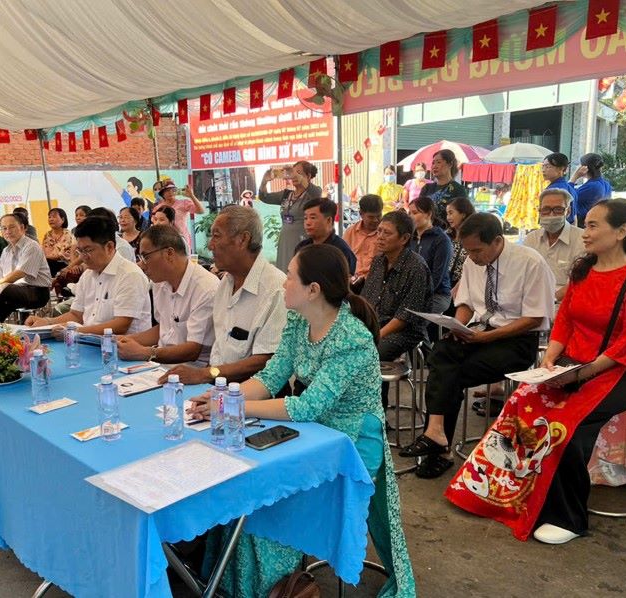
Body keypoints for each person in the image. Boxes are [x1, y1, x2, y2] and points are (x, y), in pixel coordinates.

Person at [187, 244, 415, 598]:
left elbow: (308, 405)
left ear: (313, 289)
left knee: (269, 493)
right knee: (249, 481)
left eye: (290, 277)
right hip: (312, 429)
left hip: (351, 440)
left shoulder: (351, 338)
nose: (283, 284)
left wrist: (236, 407)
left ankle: (269, 586)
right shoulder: (298, 320)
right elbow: (271, 376)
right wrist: (226, 397)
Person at [445, 198, 626, 544]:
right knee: (519, 403)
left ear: (621, 232)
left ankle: (570, 517)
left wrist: (582, 371)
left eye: (593, 226)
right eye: (586, 224)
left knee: (566, 427)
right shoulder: (584, 269)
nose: (584, 232)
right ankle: (500, 491)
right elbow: (565, 320)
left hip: (618, 373)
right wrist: (551, 360)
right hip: (571, 366)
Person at [399, 213, 555, 479]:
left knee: (448, 372)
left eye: (477, 251)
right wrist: (456, 327)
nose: (471, 257)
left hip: (515, 340)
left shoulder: (530, 263)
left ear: (496, 241)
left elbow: (536, 318)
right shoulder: (474, 261)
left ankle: (439, 445)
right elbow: (467, 304)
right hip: (480, 331)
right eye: (468, 251)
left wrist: (486, 338)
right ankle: (436, 436)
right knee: (441, 353)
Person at [163, 206, 286, 385]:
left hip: (252, 395)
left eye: (216, 236)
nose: (210, 245)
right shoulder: (225, 283)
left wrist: (206, 374)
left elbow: (266, 360)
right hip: (216, 385)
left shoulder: (275, 289)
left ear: (243, 239)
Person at [25, 216, 151, 335]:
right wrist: (47, 322)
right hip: (88, 342)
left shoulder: (130, 275)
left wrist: (75, 331)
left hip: (122, 350)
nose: (83, 257)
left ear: (109, 247)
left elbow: (121, 325)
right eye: (80, 251)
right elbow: (76, 315)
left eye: (88, 250)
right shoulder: (88, 275)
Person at [116, 225, 218, 364]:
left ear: (169, 253)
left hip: (194, 369)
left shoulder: (206, 289)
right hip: (161, 361)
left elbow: (192, 350)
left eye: (145, 257)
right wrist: (124, 340)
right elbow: (165, 328)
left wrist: (144, 352)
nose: (141, 265)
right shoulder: (160, 281)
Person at [361, 210, 432, 372]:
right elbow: (367, 299)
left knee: (370, 353)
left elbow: (404, 318)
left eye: (387, 233)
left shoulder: (416, 268)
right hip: (377, 324)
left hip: (404, 332)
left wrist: (375, 335)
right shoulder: (379, 261)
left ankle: (378, 397)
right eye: (379, 231)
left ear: (404, 238)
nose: (380, 236)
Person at [0, 213, 52, 323]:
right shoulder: (6, 250)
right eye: (4, 228)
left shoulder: (32, 246)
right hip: (14, 291)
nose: (8, 231)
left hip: (37, 292)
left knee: (3, 290)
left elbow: (20, 273)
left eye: (12, 227)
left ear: (22, 227)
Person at [258, 160, 322, 272]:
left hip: (302, 241)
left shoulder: (311, 194)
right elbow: (264, 197)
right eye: (292, 173)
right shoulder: (286, 195)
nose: (294, 176)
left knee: (300, 271)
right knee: (283, 273)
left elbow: (316, 193)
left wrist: (295, 174)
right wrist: (264, 181)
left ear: (308, 176)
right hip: (285, 242)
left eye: (298, 173)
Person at [524, 188, 585, 300]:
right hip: (532, 300)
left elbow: (578, 282)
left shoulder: (582, 240)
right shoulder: (531, 239)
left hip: (564, 304)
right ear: (539, 211)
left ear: (568, 211)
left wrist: (549, 301)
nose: (551, 215)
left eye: (558, 209)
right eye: (546, 209)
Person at [409, 196, 452, 315]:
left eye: (415, 213)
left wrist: (414, 295)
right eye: (409, 213)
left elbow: (437, 277)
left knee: (408, 317)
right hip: (412, 293)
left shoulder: (441, 240)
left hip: (437, 295)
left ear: (428, 214)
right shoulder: (410, 238)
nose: (410, 217)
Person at [294, 197, 357, 275]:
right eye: (305, 218)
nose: (307, 223)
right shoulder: (302, 247)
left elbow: (345, 282)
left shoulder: (341, 251)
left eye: (312, 218)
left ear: (329, 220)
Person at [153, 180, 205, 251]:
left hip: (181, 239)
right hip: (165, 240)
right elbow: (154, 223)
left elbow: (201, 211)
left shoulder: (183, 203)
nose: (170, 192)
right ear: (162, 193)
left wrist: (192, 196)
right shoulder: (158, 208)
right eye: (167, 190)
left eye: (173, 190)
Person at [419, 150, 466, 226]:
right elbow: (419, 211)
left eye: (438, 162)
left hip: (449, 234)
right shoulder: (427, 188)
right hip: (428, 233)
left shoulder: (458, 189)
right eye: (433, 163)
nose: (434, 166)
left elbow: (464, 215)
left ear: (450, 164)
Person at [343, 193, 383, 281]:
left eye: (379, 216)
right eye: (371, 217)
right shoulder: (350, 232)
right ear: (361, 214)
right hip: (352, 281)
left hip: (377, 282)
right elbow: (343, 259)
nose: (376, 220)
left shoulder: (386, 234)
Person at [571, 153, 612, 227]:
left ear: (585, 167)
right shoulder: (606, 184)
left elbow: (566, 194)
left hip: (582, 224)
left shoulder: (592, 186)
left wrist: (575, 176)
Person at [445, 196, 475, 298]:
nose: (448, 217)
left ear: (463, 214)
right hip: (445, 285)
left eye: (451, 213)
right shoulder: (446, 236)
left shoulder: (473, 237)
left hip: (465, 286)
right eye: (447, 213)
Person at [541, 152, 578, 223]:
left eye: (548, 167)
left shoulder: (554, 190)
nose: (543, 170)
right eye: (543, 166)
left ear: (561, 169)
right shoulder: (570, 188)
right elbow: (574, 217)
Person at [42, 208, 76, 277]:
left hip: (64, 265)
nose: (51, 219)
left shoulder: (67, 234)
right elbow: (44, 252)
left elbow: (63, 254)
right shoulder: (47, 235)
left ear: (63, 220)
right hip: (49, 264)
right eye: (49, 217)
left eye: (54, 216)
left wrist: (50, 256)